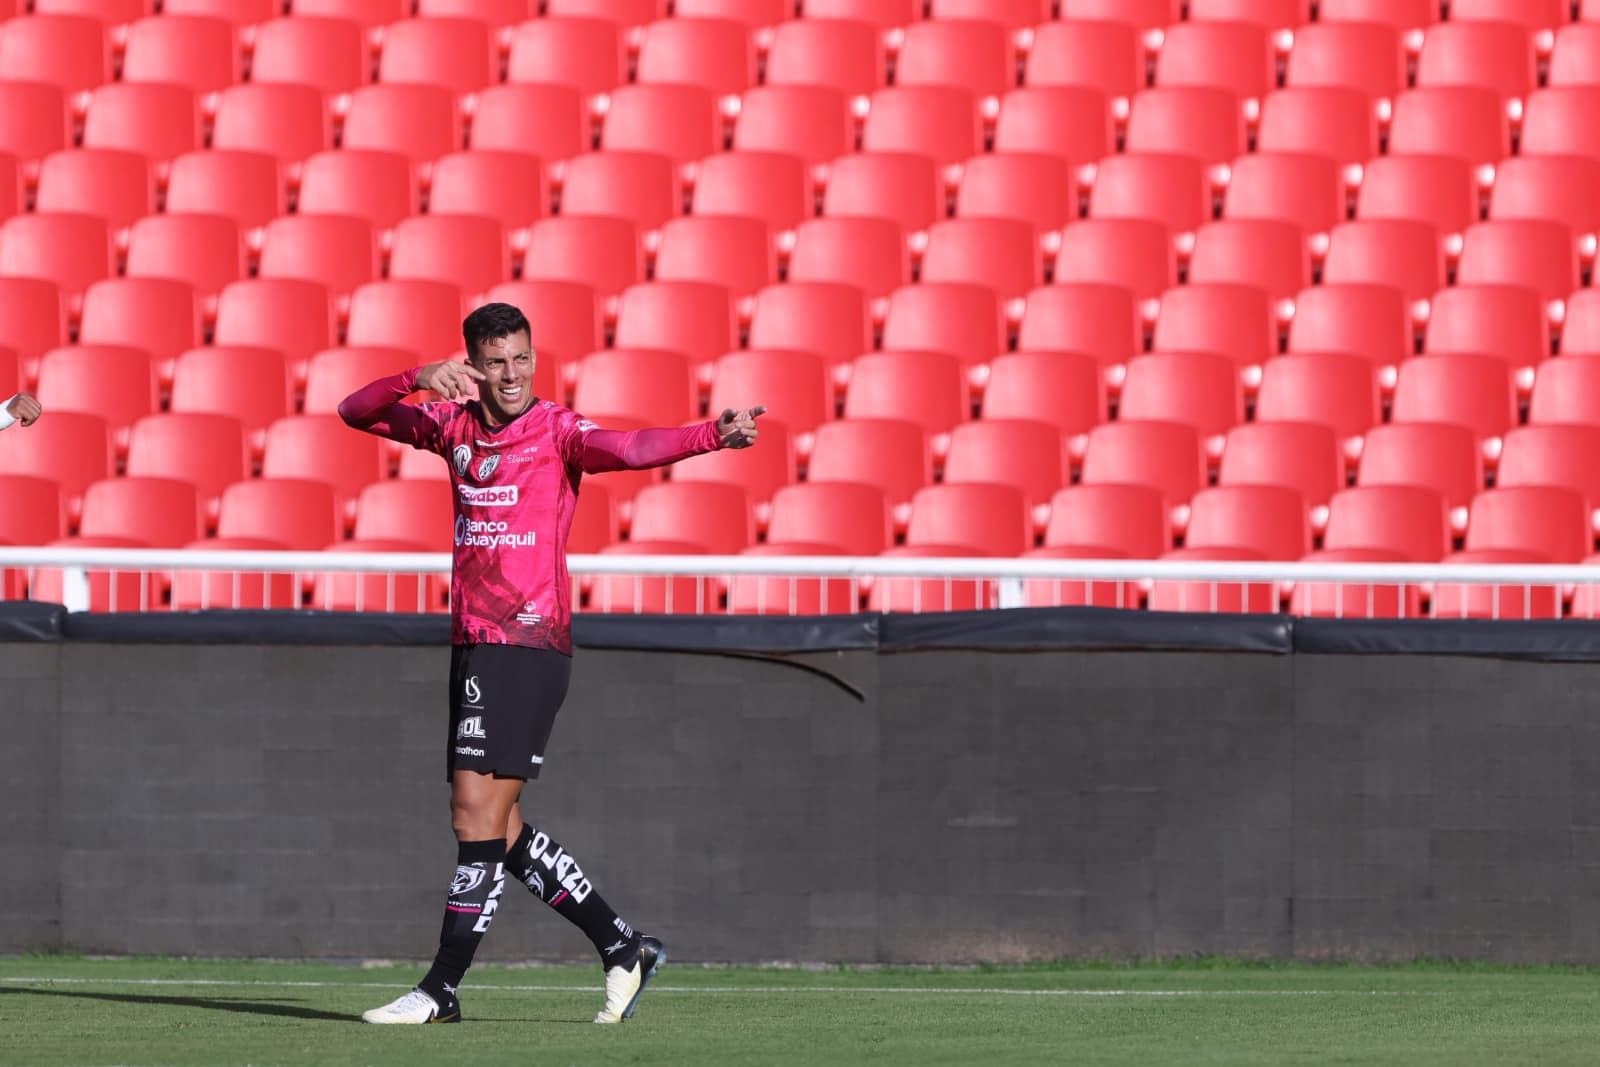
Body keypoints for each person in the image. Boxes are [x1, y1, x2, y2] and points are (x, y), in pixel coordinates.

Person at [338, 303, 763, 1026]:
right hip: (474, 641)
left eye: (522, 359)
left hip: (529, 643)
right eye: (496, 362)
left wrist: (709, 436)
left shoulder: (558, 431)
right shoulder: (451, 427)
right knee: (495, 829)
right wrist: (417, 377)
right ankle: (623, 946)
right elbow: (355, 409)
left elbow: (630, 449)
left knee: (476, 816)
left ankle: (440, 988)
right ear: (471, 365)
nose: (512, 375)